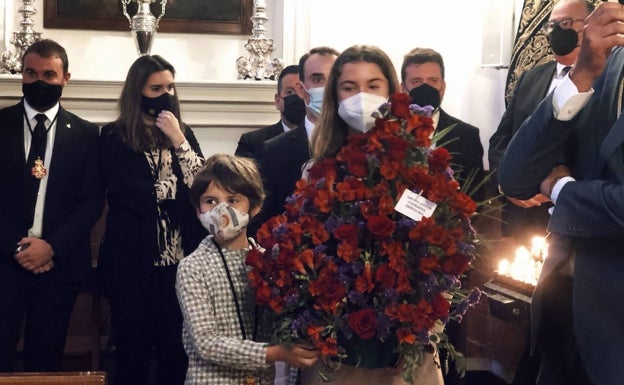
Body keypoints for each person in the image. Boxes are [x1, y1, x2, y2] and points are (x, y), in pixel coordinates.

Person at [300, 44, 444, 385]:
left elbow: (439, 246)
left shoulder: (419, 167)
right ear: (336, 96)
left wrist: (421, 324)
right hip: (336, 354)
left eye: (373, 86)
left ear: (391, 93)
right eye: (349, 87)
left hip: (405, 352)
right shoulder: (316, 172)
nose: (361, 96)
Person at [498, 3, 624, 385]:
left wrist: (561, 189)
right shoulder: (607, 63)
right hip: (563, 309)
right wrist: (582, 72)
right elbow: (516, 177)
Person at [98, 55, 205, 385]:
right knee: (133, 352)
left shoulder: (182, 135)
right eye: (156, 88)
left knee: (175, 350)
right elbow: (125, 192)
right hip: (132, 264)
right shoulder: (114, 137)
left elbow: (202, 186)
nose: (165, 94)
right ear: (137, 92)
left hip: (178, 264)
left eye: (170, 87)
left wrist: (179, 140)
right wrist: (173, 187)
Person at [0, 39, 103, 372]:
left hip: (58, 266)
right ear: (22, 74)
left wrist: (51, 248)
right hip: (3, 262)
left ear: (65, 78)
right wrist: (18, 247)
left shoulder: (87, 135)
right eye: (31, 73)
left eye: (49, 74)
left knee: (44, 361)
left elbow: (91, 201)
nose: (39, 82)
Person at [175, 153, 319, 384]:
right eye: (210, 201)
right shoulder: (193, 266)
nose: (221, 210)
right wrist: (274, 353)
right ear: (198, 210)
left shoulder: (269, 261)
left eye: (233, 200)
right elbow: (206, 342)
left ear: (254, 207)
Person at [489, 0, 594, 244]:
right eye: (551, 26)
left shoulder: (608, 80)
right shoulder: (531, 77)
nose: (557, 31)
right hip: (521, 219)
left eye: (566, 23)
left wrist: (557, 187)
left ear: (589, 26)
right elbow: (501, 140)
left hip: (574, 221)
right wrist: (509, 186)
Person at [258, 47, 339, 229]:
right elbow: (265, 219)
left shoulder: (357, 144)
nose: (325, 88)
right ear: (301, 90)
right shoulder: (274, 151)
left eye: (332, 79)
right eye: (317, 79)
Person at [400, 47, 484, 203]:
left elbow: (475, 198)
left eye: (433, 81)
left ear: (443, 87)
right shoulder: (389, 132)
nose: (425, 88)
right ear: (403, 88)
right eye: (416, 81)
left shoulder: (467, 135)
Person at [235, 64, 303, 161]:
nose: (298, 98)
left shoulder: (328, 141)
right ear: (277, 100)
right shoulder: (252, 143)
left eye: (302, 91)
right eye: (289, 92)